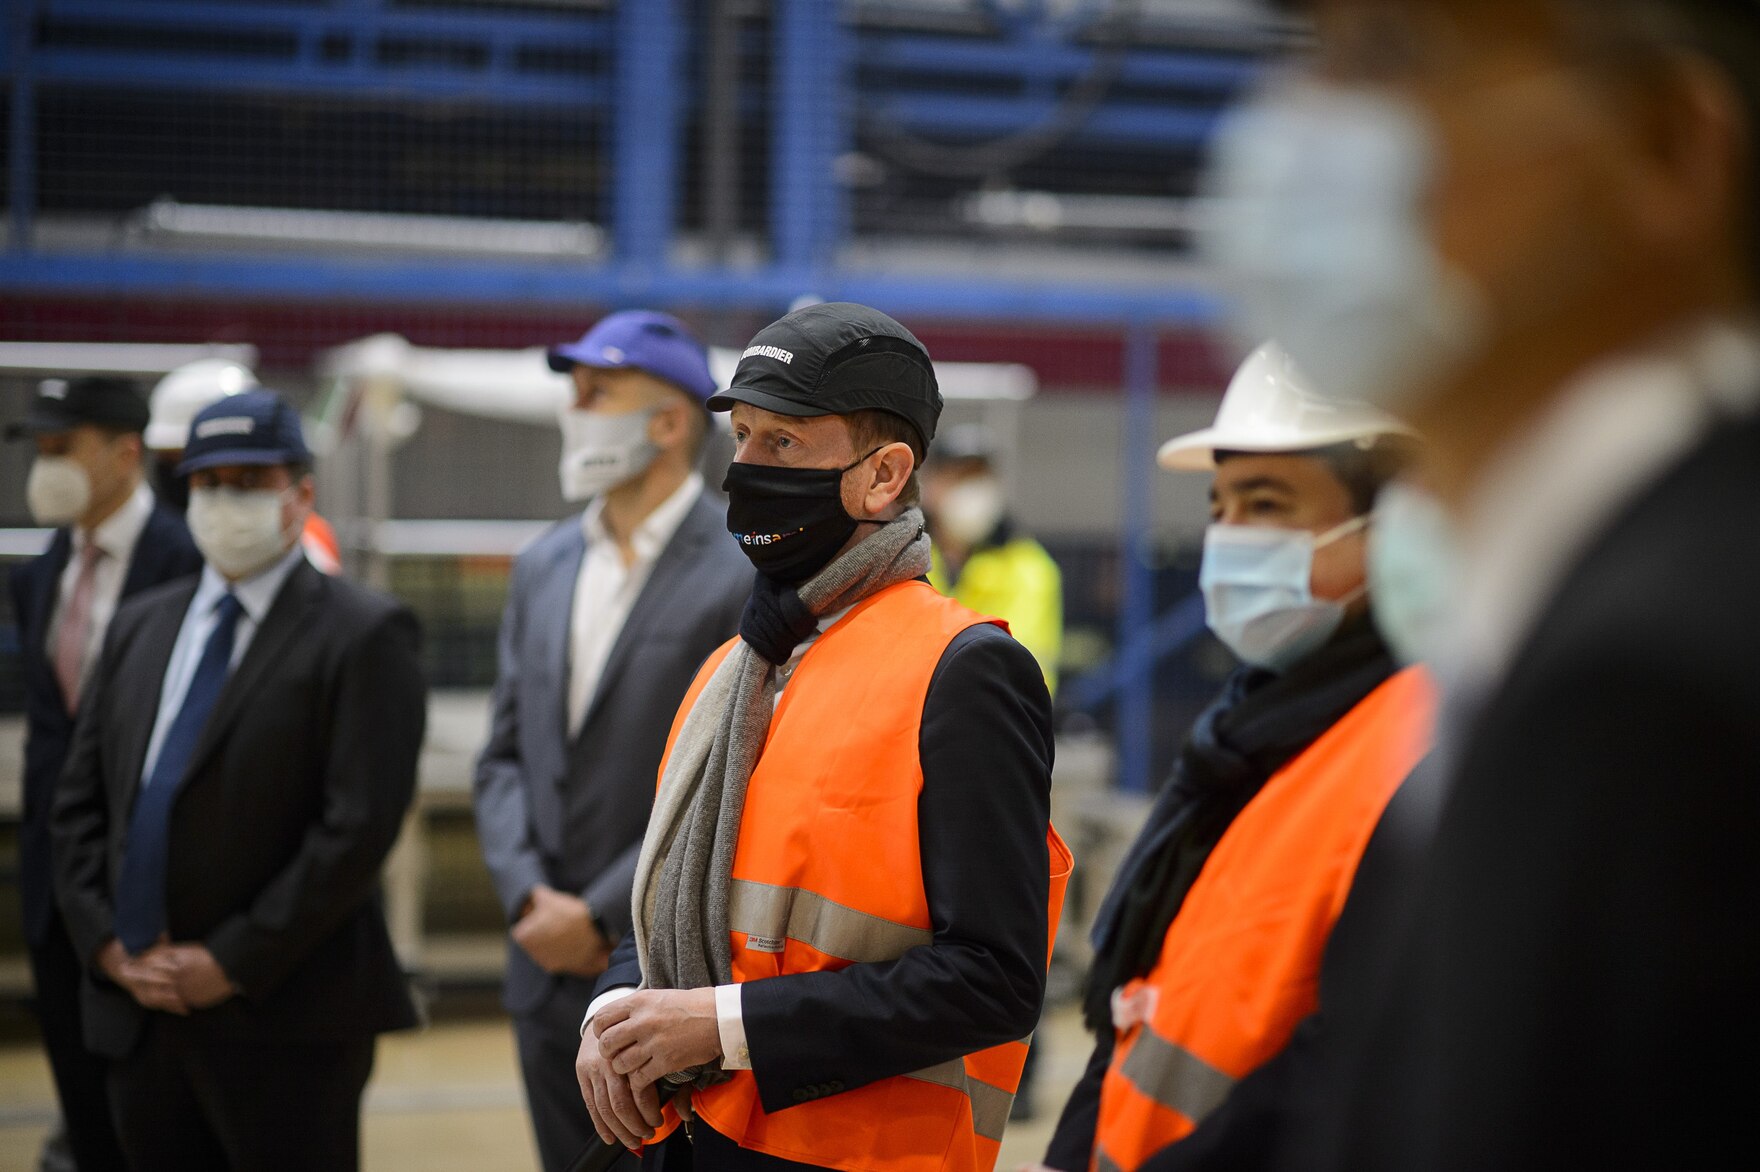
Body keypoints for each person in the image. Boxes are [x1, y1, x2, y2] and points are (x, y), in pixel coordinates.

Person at [1199, 2, 1760, 1167]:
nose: (1302, 126)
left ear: (1664, 146)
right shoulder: (1561, 618)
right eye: (1317, 55)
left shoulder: (1662, 684)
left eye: (1390, 55)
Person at [573, 301, 1073, 1172]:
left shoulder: (962, 671)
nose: (747, 470)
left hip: (849, 1155)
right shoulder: (734, 668)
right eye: (745, 439)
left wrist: (722, 1026)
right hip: (689, 1139)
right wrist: (617, 1011)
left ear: (883, 477)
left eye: (785, 445)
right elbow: (678, 888)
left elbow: (994, 979)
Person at [1034, 342, 1433, 1172]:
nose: (1228, 537)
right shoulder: (1255, 730)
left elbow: (1350, 1075)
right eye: (1220, 506)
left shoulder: (1418, 750)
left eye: (1267, 503)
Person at [51, 389, 426, 1171]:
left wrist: (231, 959)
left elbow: (356, 831)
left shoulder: (363, 634)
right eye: (208, 482)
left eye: (249, 481)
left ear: (301, 495)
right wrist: (109, 947)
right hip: (139, 1013)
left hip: (283, 1020)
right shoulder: (142, 626)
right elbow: (81, 802)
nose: (226, 501)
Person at [473, 310, 752, 1172]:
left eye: (599, 391)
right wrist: (528, 898)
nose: (576, 408)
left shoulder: (742, 570)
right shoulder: (544, 564)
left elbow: (723, 780)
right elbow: (505, 755)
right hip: (539, 963)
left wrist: (597, 916)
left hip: (653, 967)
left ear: (669, 422)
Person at [7, 376, 203, 1172]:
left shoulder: (191, 562)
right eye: (41, 448)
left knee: (163, 1129)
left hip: (164, 903)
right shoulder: (45, 569)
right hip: (62, 899)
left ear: (126, 452)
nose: (45, 465)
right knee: (85, 1118)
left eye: (64, 447)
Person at [146, 357, 343, 572]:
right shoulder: (162, 553)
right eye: (206, 477)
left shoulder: (311, 546)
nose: (223, 496)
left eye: (248, 478)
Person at [923, 423, 1063, 694]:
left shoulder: (1030, 568)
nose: (970, 491)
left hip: (992, 719)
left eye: (977, 478)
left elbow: (1020, 665)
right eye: (958, 477)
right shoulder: (903, 558)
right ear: (930, 485)